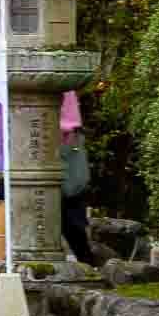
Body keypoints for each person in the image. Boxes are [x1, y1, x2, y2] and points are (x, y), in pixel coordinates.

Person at [61, 91, 96, 265]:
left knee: (71, 220)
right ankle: (88, 262)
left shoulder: (65, 88)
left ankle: (88, 263)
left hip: (63, 148)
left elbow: (69, 123)